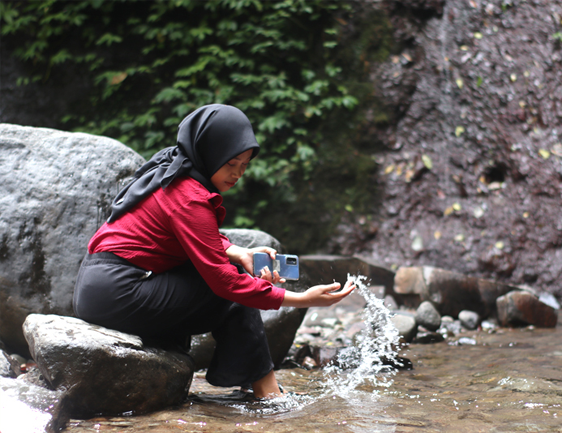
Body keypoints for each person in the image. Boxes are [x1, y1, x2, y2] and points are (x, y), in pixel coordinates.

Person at [73, 104, 355, 399]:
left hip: (102, 285)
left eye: (244, 165)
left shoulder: (175, 169)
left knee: (228, 272)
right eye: (231, 163)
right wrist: (301, 299)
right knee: (232, 292)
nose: (237, 174)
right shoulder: (188, 196)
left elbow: (190, 235)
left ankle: (243, 381)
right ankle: (267, 393)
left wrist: (238, 252)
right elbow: (225, 283)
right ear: (210, 152)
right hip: (118, 290)